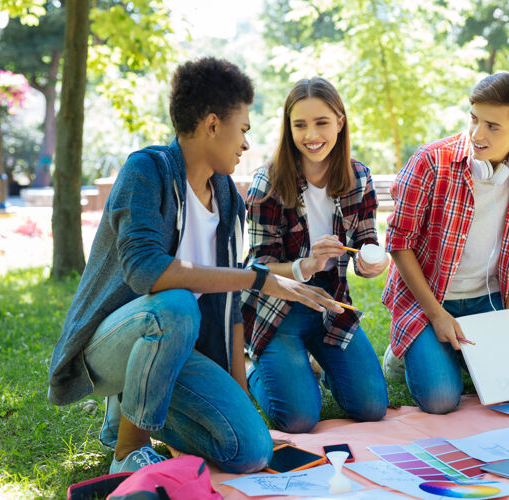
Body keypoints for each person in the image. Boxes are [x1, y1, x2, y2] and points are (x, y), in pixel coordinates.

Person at [47, 57, 341, 474]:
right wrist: (260, 279)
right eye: (242, 130)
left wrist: (240, 395)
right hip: (115, 342)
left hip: (174, 346)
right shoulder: (146, 171)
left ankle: (131, 411)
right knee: (177, 305)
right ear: (212, 124)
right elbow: (146, 271)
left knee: (251, 451)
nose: (245, 144)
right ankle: (128, 452)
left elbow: (229, 299)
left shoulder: (226, 197)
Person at [382, 72, 509, 414]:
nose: (477, 134)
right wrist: (437, 315)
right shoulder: (430, 162)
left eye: (492, 126)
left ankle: (456, 353)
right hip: (428, 299)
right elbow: (399, 244)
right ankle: (402, 354)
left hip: (485, 300)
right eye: (474, 119)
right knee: (441, 400)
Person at [241, 76, 389, 433]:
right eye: (300, 125)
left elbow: (367, 243)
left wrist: (372, 263)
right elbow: (256, 268)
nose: (312, 135)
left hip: (329, 306)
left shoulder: (359, 178)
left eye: (322, 122)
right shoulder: (270, 181)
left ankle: (317, 367)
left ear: (340, 122)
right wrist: (307, 264)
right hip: (279, 307)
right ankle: (251, 370)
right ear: (288, 129)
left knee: (371, 407)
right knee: (298, 419)